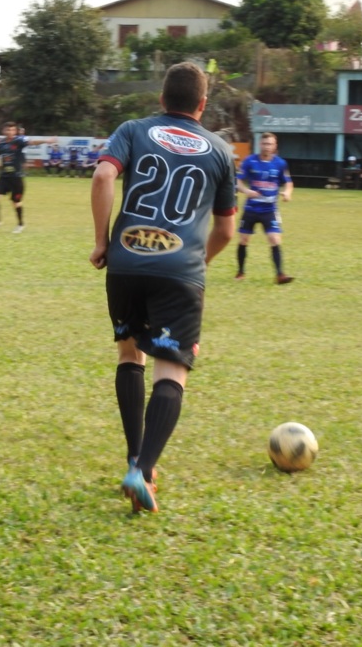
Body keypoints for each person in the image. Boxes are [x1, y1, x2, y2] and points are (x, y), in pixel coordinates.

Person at [89, 62, 236, 513]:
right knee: (171, 369)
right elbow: (227, 231)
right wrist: (197, 263)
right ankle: (143, 469)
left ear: (161, 99)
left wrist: (102, 241)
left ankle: (135, 457)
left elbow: (102, 176)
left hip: (126, 261)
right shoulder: (220, 150)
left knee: (129, 353)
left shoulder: (133, 129)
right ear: (203, 104)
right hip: (181, 269)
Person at [235, 132, 294, 284]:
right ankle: (241, 271)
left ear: (275, 146)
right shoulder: (250, 161)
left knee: (275, 239)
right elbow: (238, 181)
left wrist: (287, 192)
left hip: (269, 209)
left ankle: (280, 275)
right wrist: (247, 191)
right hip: (251, 208)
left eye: (270, 144)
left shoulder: (280, 164)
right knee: (243, 240)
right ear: (260, 144)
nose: (267, 147)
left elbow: (288, 182)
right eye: (265, 143)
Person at [0, 122, 55, 234]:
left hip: (16, 177)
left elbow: (32, 142)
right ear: (3, 131)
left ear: (15, 131)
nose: (9, 132)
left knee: (16, 202)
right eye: (7, 130)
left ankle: (20, 224)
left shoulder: (19, 141)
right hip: (4, 176)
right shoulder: (1, 144)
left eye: (12, 130)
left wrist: (46, 141)